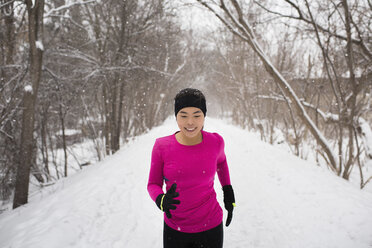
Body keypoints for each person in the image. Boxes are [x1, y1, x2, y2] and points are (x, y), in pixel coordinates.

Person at [147, 88, 235, 248]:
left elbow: (221, 162)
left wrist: (227, 189)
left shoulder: (215, 142)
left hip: (211, 226)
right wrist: (160, 200)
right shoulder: (162, 146)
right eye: (183, 115)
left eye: (196, 115)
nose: (190, 122)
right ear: (176, 117)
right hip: (175, 229)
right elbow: (153, 184)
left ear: (204, 117)